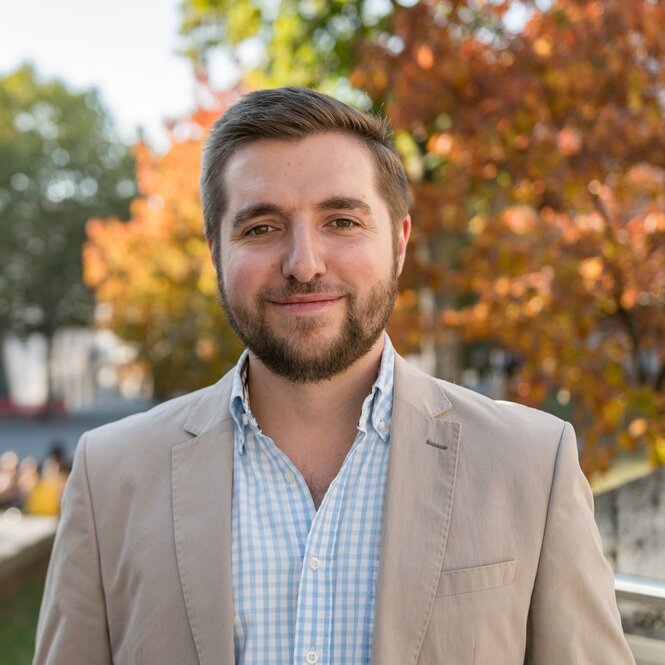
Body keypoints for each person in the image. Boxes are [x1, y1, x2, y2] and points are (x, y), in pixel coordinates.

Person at [34, 87, 635, 665]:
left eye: (342, 221)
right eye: (260, 228)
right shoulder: (108, 477)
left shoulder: (532, 465)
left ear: (399, 243)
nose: (303, 264)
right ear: (216, 252)